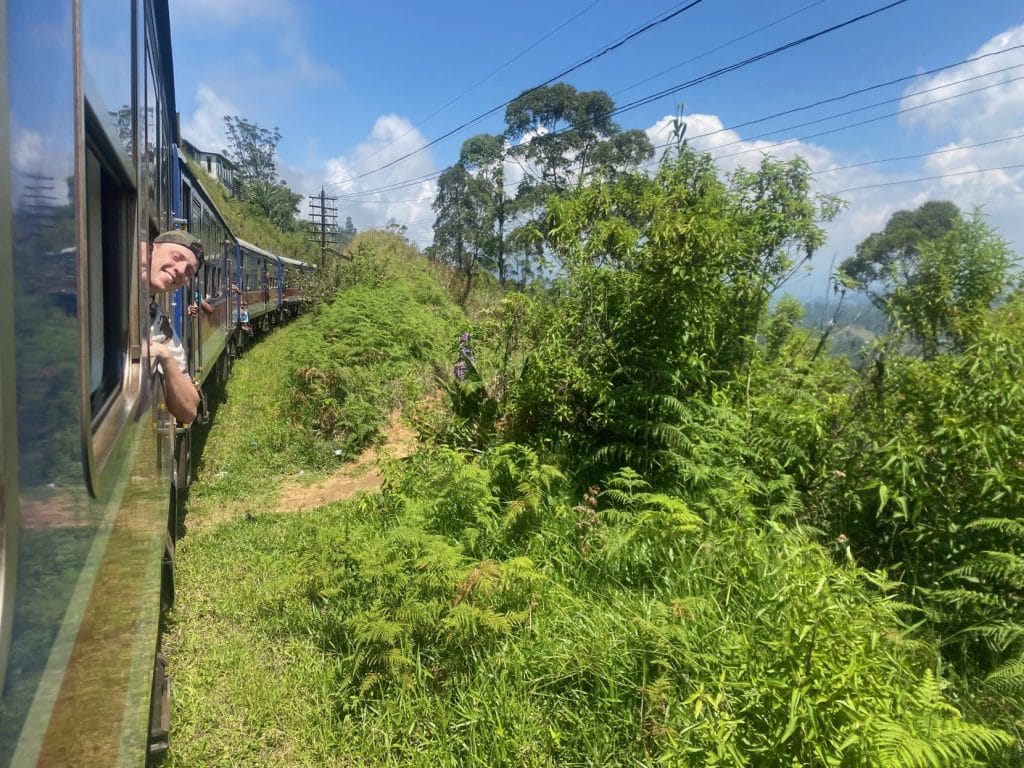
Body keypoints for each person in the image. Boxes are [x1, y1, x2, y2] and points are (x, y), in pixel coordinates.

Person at [144, 229, 203, 423]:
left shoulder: (161, 326)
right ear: (151, 249)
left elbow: (189, 411)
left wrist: (165, 356)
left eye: (189, 271)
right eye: (176, 257)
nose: (180, 270)